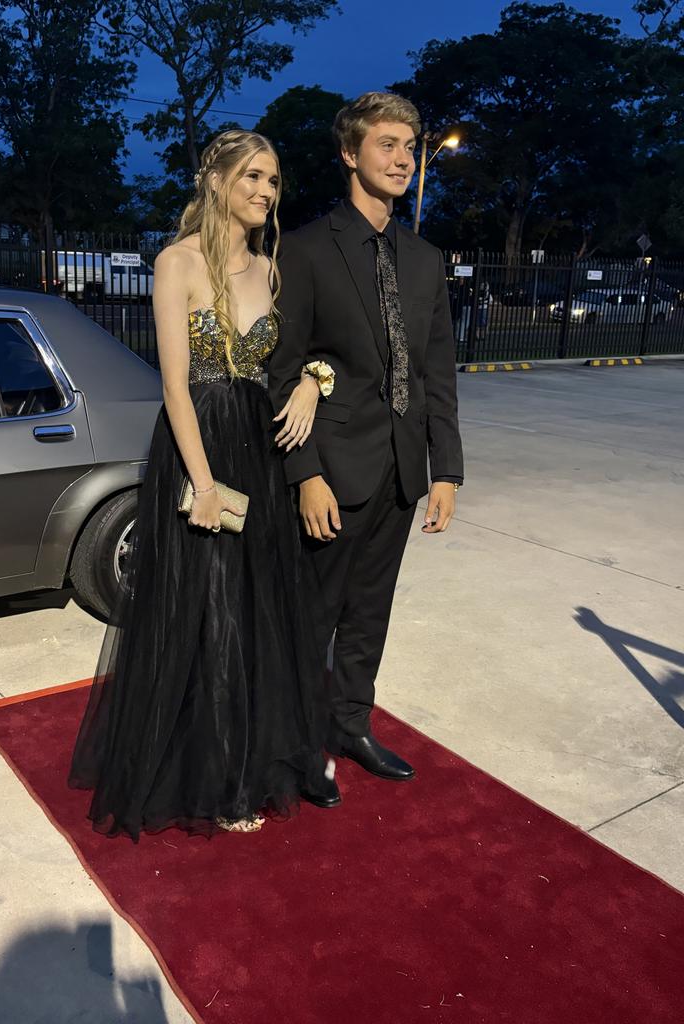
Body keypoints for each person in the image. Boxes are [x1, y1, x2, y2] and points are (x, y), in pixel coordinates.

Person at [69, 129, 337, 837]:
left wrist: (313, 380)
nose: (263, 190)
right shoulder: (176, 262)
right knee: (205, 607)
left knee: (252, 610)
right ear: (214, 181)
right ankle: (213, 775)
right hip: (199, 453)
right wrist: (205, 484)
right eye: (251, 175)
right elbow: (177, 386)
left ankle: (249, 762)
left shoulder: (272, 271)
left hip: (262, 452)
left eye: (274, 180)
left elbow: (307, 355)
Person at [268, 93, 464, 793]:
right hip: (334, 471)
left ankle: (350, 725)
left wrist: (447, 471)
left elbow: (437, 371)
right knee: (310, 618)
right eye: (387, 144)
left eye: (410, 145)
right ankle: (292, 744)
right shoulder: (308, 249)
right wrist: (305, 474)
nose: (404, 157)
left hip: (403, 475)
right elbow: (280, 370)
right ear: (349, 153)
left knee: (368, 616)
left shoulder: (425, 258)